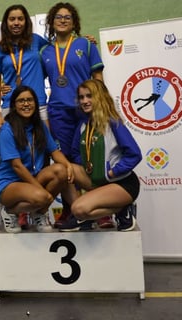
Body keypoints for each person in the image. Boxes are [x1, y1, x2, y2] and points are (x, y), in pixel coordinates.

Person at [40, 2, 108, 228]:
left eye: (67, 17)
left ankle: (101, 209)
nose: (62, 20)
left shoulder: (86, 45)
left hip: (84, 110)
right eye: (58, 17)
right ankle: (72, 211)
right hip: (58, 113)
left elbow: (97, 78)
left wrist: (101, 104)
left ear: (74, 22)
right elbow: (31, 76)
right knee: (65, 162)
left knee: (90, 159)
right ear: (51, 22)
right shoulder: (44, 51)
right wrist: (6, 87)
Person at [59, 80, 141, 232]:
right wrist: (89, 165)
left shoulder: (113, 123)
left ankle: (122, 208)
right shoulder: (84, 124)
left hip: (121, 183)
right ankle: (86, 216)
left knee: (78, 209)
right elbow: (75, 153)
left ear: (100, 97)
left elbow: (134, 154)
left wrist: (113, 171)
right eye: (81, 97)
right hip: (98, 179)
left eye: (89, 96)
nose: (84, 101)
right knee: (62, 170)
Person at [0, 86, 75, 233]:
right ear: (14, 105)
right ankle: (10, 211)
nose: (26, 104)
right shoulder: (8, 130)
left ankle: (39, 213)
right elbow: (17, 166)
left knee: (61, 171)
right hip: (10, 184)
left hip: (32, 178)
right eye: (21, 101)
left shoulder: (40, 127)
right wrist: (39, 188)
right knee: (42, 197)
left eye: (29, 100)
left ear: (35, 103)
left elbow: (54, 152)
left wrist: (68, 165)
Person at [0, 4, 48, 131]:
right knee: (12, 143)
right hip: (11, 105)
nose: (16, 23)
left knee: (44, 142)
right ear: (6, 23)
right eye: (12, 19)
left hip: (38, 102)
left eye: (20, 19)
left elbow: (57, 52)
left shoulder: (37, 41)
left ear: (26, 21)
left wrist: (81, 39)